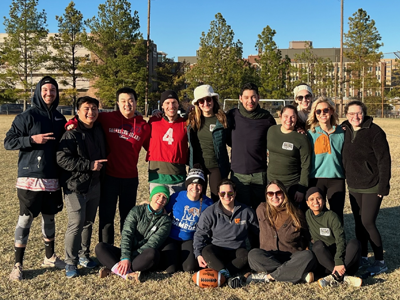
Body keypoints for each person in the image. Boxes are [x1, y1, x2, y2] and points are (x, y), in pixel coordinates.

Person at [65, 87, 151, 245]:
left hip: (130, 178)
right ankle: (106, 251)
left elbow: (152, 146)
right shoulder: (107, 118)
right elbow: (87, 117)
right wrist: (72, 122)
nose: (127, 104)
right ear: (117, 103)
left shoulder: (144, 127)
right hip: (109, 177)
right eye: (123, 101)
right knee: (106, 217)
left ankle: (126, 251)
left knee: (127, 218)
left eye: (131, 100)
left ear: (136, 102)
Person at [4, 76, 67, 281]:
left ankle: (49, 257)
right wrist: (32, 140)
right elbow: (9, 142)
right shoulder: (27, 116)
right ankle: (18, 264)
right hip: (30, 178)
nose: (49, 93)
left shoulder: (59, 118)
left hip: (52, 178)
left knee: (50, 217)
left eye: (53, 90)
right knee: (25, 219)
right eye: (45, 90)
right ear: (39, 92)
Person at [57, 96, 107, 278]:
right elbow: (62, 159)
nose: (91, 112)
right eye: (86, 108)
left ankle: (83, 255)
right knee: (76, 223)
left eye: (94, 108)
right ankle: (70, 262)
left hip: (94, 184)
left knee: (88, 223)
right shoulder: (71, 133)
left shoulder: (99, 129)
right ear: (78, 111)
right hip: (75, 186)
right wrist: (89, 165)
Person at [342, 100, 391, 276]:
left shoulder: (375, 132)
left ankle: (380, 261)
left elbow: (384, 161)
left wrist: (383, 187)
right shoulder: (345, 129)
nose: (355, 117)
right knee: (358, 223)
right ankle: (362, 256)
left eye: (359, 113)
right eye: (351, 113)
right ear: (346, 115)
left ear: (364, 113)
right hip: (354, 185)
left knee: (368, 222)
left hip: (372, 185)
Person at [95, 186, 172, 282]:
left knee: (152, 253)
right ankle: (127, 274)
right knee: (100, 247)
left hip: (142, 256)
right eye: (158, 195)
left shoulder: (166, 221)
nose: (161, 199)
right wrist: (125, 257)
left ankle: (114, 270)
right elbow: (127, 234)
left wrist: (129, 259)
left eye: (164, 197)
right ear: (151, 196)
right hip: (126, 252)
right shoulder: (136, 210)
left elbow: (153, 243)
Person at [246, 180, 316, 284]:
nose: (274, 197)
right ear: (266, 195)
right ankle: (296, 274)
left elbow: (307, 236)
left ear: (284, 193)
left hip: (292, 257)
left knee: (308, 256)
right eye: (270, 193)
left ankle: (269, 276)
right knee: (253, 254)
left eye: (278, 193)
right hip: (268, 256)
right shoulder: (261, 209)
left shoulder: (296, 213)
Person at [193, 179, 259, 289]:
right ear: (218, 194)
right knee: (206, 251)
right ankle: (228, 276)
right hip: (217, 249)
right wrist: (198, 254)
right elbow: (200, 234)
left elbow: (257, 232)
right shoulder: (209, 212)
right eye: (223, 193)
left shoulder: (246, 211)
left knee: (246, 255)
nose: (226, 196)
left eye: (230, 193)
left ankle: (221, 273)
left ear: (235, 193)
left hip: (237, 250)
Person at [227, 83, 276, 209]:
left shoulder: (267, 118)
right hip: (238, 174)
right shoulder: (232, 116)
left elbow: (276, 139)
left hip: (259, 174)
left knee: (261, 210)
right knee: (241, 211)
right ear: (240, 98)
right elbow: (227, 139)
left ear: (258, 97)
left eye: (253, 97)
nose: (250, 101)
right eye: (246, 97)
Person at [305, 187, 362, 288]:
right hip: (325, 260)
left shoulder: (332, 216)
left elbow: (340, 239)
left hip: (341, 259)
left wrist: (339, 261)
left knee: (355, 243)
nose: (316, 201)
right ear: (307, 203)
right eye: (312, 199)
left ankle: (335, 275)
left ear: (324, 200)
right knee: (317, 245)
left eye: (319, 198)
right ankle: (343, 277)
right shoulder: (307, 215)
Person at [160, 168, 213, 273]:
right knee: (171, 268)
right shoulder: (177, 196)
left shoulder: (208, 203)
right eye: (191, 184)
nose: (195, 187)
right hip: (171, 237)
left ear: (202, 187)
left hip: (190, 238)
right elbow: (163, 212)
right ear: (187, 185)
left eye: (198, 185)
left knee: (189, 268)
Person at [306, 97, 346, 223]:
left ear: (332, 111)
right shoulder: (310, 133)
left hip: (337, 178)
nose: (322, 113)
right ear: (315, 114)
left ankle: (338, 240)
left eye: (325, 110)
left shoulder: (342, 132)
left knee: (337, 213)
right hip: (316, 179)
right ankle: (321, 241)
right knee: (318, 213)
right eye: (318, 111)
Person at [188, 85, 230, 202]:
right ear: (197, 104)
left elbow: (233, 140)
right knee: (197, 197)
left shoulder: (223, 120)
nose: (205, 103)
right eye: (201, 100)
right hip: (197, 165)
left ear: (214, 100)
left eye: (208, 99)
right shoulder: (192, 120)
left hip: (216, 166)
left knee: (217, 198)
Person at [266, 105, 311, 207]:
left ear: (296, 119)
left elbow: (306, 165)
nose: (289, 120)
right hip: (272, 182)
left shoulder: (301, 138)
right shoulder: (272, 131)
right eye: (286, 116)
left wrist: (301, 189)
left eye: (293, 117)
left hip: (292, 185)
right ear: (280, 116)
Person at [146, 90, 188, 194]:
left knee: (176, 209)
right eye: (167, 103)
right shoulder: (154, 122)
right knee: (157, 208)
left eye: (174, 102)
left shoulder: (185, 123)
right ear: (162, 106)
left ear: (178, 104)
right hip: (157, 175)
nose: (171, 106)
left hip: (178, 175)